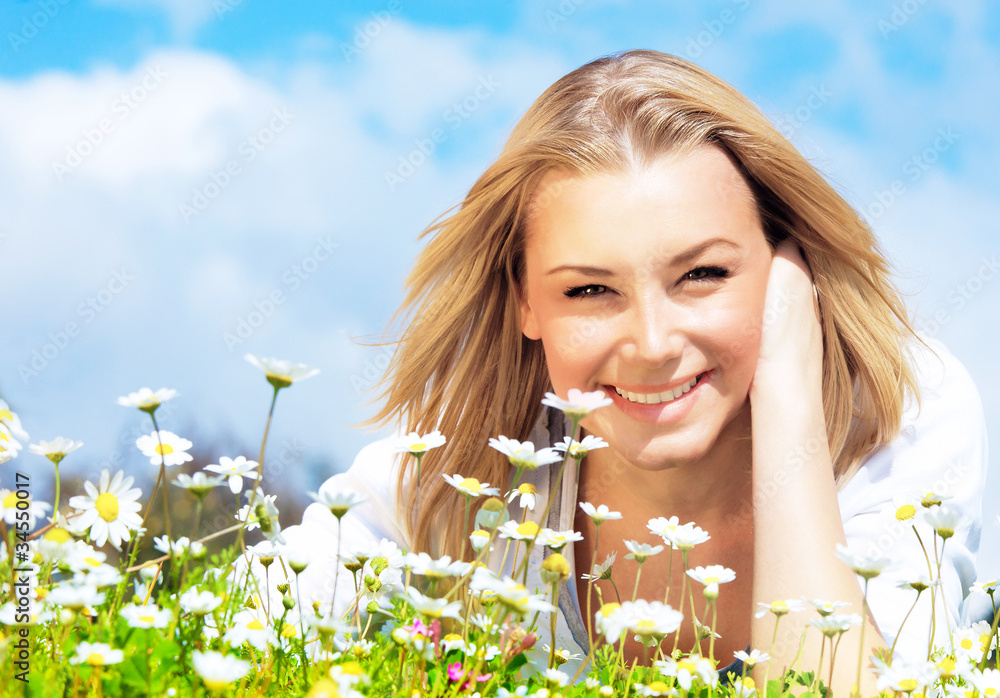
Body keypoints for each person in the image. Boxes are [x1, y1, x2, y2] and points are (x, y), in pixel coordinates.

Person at [263, 50, 987, 692]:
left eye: (703, 274)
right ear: (526, 303)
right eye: (589, 290)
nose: (651, 343)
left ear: (787, 269)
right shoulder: (464, 482)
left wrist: (791, 401)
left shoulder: (904, 419)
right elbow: (236, 629)